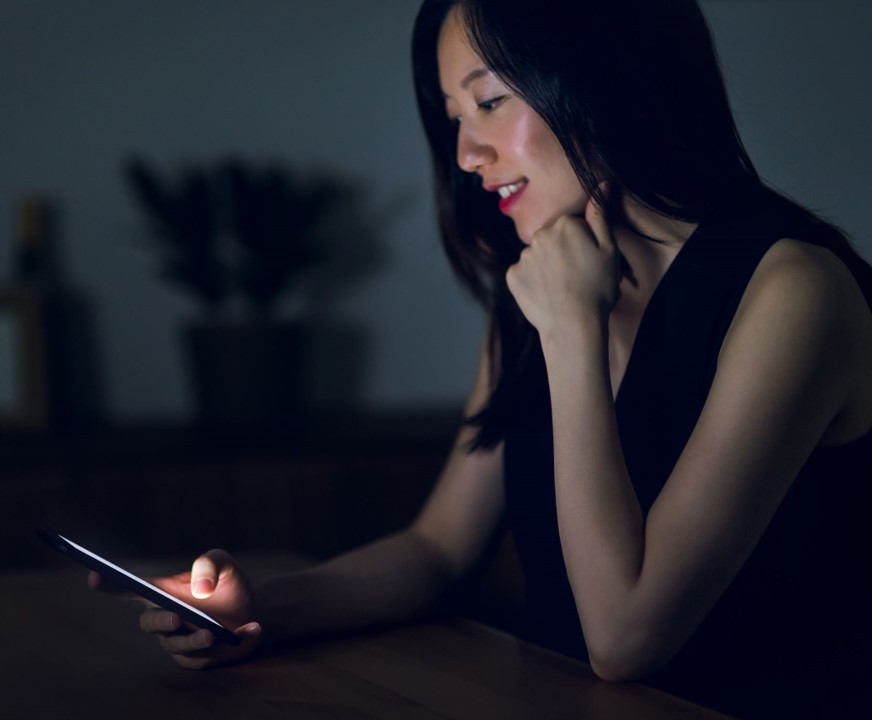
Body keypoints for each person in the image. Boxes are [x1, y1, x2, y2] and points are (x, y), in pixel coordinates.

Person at [92, 1, 872, 716]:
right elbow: (437, 549)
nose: (467, 152)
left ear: (607, 80)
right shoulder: (544, 286)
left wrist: (572, 334)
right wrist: (254, 609)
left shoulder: (794, 292)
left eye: (491, 100)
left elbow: (627, 637)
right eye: (453, 114)